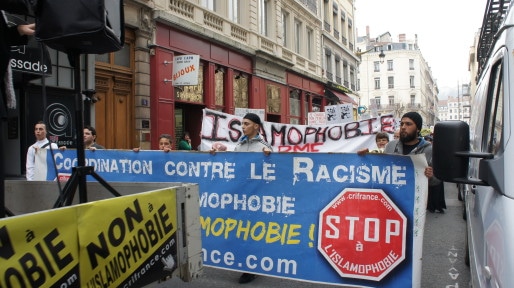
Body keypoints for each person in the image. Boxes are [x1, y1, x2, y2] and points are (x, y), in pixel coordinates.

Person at [383, 112, 443, 212]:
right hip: (390, 201)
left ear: (418, 128)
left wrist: (431, 176)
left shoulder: (429, 150)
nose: (403, 127)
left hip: (415, 205)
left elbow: (437, 180)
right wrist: (364, 156)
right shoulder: (390, 146)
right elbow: (380, 168)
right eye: (402, 124)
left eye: (408, 124)